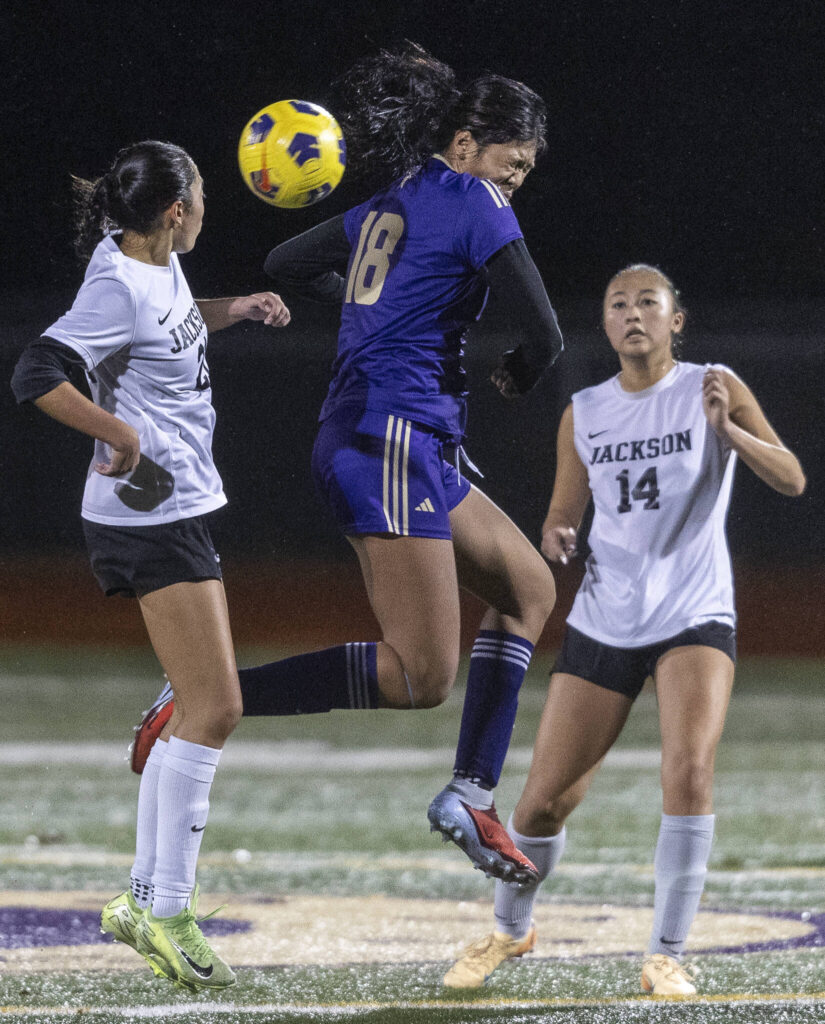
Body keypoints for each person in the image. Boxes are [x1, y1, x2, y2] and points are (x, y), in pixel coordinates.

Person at [131, 42, 564, 885]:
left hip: (397, 436)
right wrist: (518, 368)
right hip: (391, 436)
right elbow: (543, 332)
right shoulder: (472, 200)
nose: (511, 187)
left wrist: (378, 301)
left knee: (530, 589)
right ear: (468, 144)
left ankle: (471, 795)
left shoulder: (398, 201)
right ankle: (206, 695)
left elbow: (286, 264)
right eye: (509, 169)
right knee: (418, 676)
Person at [442, 263, 806, 995]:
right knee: (543, 801)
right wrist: (556, 538)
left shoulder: (713, 385)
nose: (632, 313)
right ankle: (509, 931)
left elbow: (791, 476)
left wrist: (729, 431)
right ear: (606, 326)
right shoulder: (585, 410)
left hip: (693, 612)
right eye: (618, 304)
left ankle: (665, 952)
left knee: (689, 771)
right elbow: (562, 516)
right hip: (607, 616)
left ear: (676, 321)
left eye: (649, 302)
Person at [10, 140, 291, 992]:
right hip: (146, 518)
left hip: (178, 506)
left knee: (206, 704)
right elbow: (35, 371)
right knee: (218, 707)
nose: (208, 202)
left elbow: (164, 319)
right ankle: (159, 907)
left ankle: (153, 894)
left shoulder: (148, 262)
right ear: (176, 211)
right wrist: (118, 432)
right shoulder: (116, 280)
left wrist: (232, 309)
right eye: (200, 193)